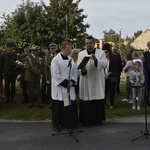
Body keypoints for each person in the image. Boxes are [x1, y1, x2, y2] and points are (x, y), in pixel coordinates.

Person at [77, 36, 107, 126]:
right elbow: (79, 66)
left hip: (97, 80)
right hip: (86, 80)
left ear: (93, 43)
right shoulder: (81, 54)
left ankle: (97, 120)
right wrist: (83, 69)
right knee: (86, 100)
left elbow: (104, 63)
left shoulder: (100, 52)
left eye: (90, 43)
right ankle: (86, 121)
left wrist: (96, 60)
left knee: (97, 100)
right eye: (86, 43)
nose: (88, 45)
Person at [51, 41, 78, 132]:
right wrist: (66, 83)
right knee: (58, 106)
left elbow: (75, 71)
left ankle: (67, 123)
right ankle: (56, 124)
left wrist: (72, 81)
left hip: (68, 87)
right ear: (62, 49)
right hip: (60, 88)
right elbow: (56, 74)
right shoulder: (55, 60)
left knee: (67, 105)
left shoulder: (70, 59)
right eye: (67, 49)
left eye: (70, 49)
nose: (69, 51)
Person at [103, 43, 118, 109]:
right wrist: (104, 75)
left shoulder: (113, 60)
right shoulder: (102, 60)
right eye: (104, 52)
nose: (105, 53)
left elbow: (114, 69)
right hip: (103, 78)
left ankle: (111, 104)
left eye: (106, 52)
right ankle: (104, 104)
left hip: (111, 77)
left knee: (111, 91)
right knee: (104, 91)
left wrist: (108, 74)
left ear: (109, 52)